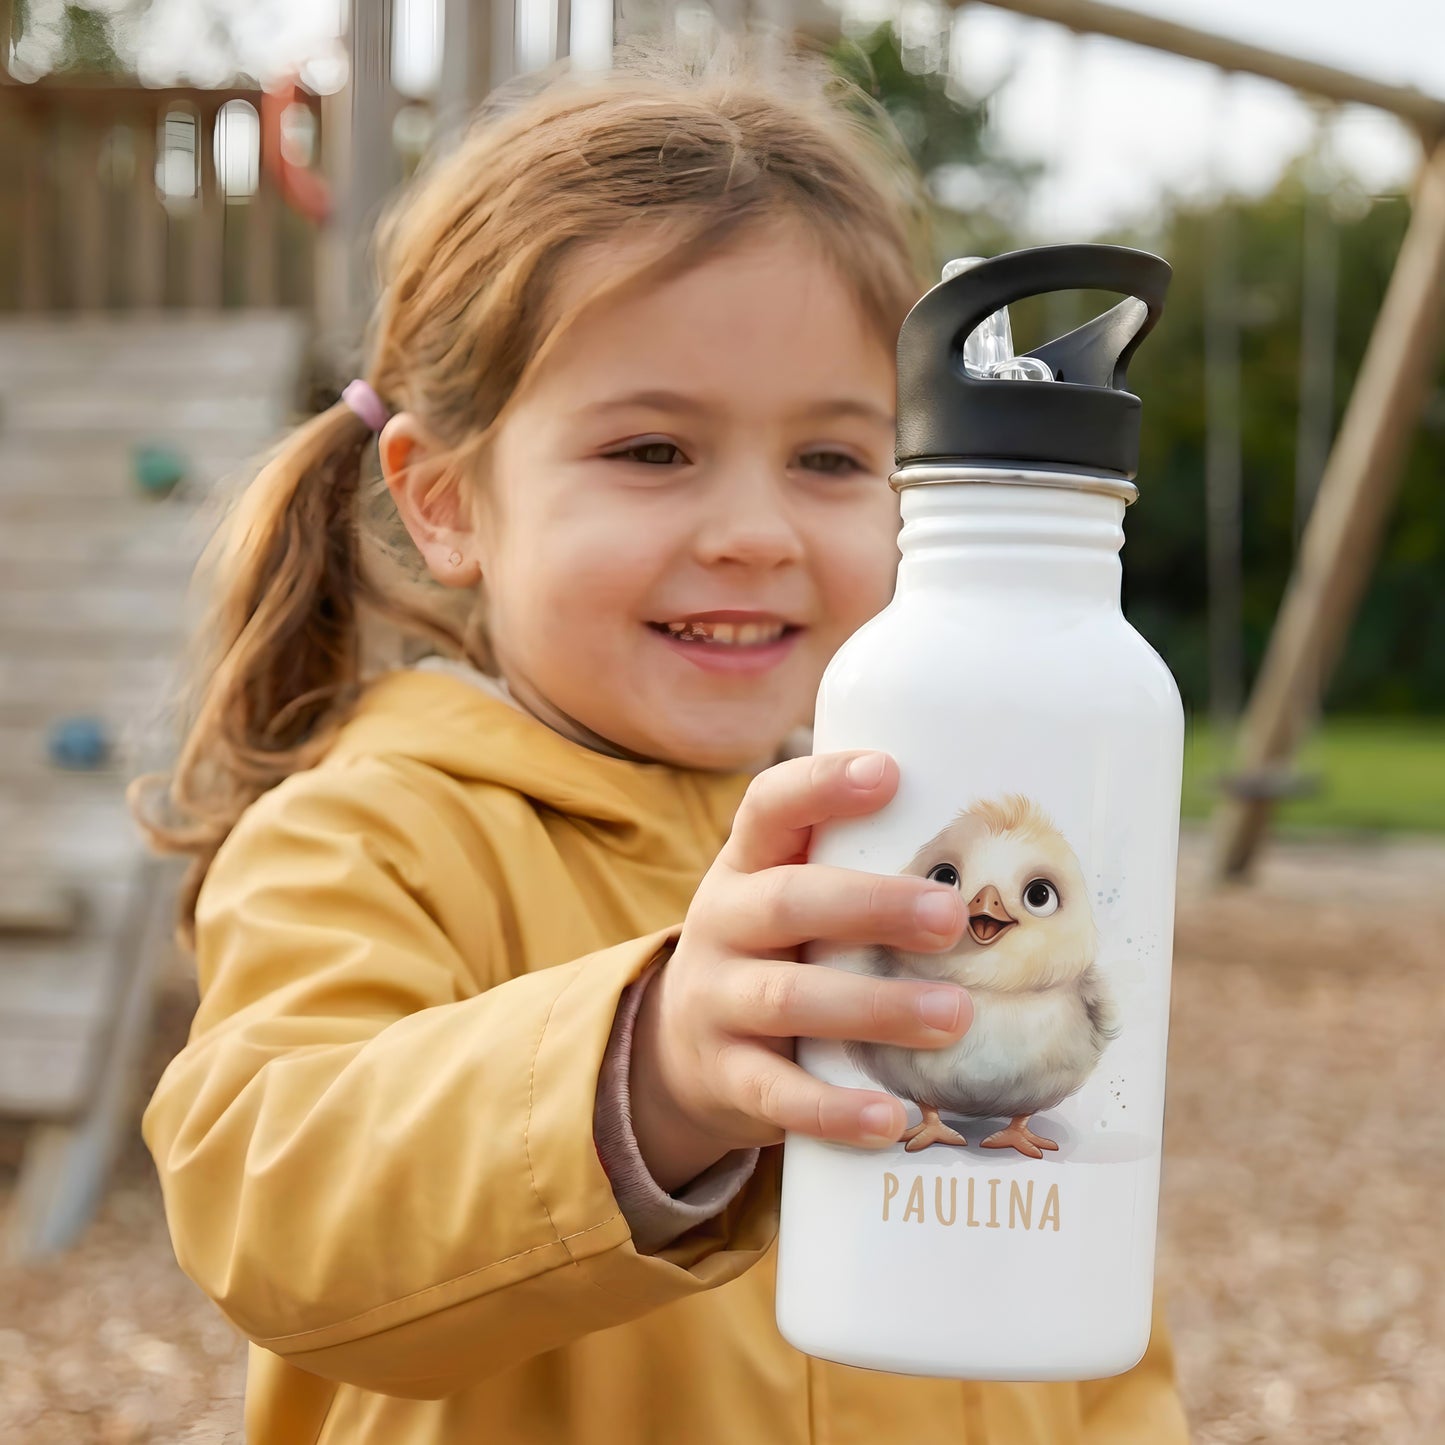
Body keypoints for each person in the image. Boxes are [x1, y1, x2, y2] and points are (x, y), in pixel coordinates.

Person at [137, 46, 1189, 1445]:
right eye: (652, 451)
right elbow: (271, 1210)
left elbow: (1085, 1288)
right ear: (446, 501)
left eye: (831, 459)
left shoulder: (936, 841)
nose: (753, 531)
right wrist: (648, 1074)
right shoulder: (376, 834)